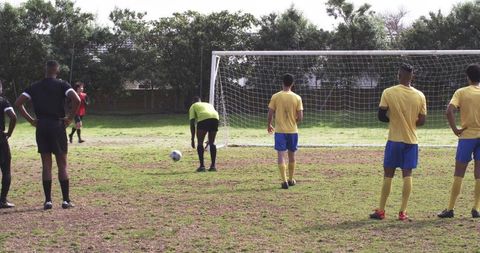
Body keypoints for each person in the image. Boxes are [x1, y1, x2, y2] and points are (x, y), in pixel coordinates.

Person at [15, 60, 80, 210]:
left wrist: (31, 120)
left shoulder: (34, 87)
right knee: (62, 164)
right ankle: (65, 200)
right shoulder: (62, 85)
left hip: (42, 126)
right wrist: (70, 118)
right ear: (57, 71)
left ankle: (48, 201)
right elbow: (76, 99)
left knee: (46, 165)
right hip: (57, 125)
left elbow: (18, 103)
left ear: (45, 71)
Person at [370, 63, 427, 221]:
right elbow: (422, 121)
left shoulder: (388, 92)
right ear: (412, 76)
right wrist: (409, 121)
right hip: (411, 141)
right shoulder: (420, 95)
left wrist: (394, 118)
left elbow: (381, 116)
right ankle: (403, 212)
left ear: (398, 75)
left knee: (388, 174)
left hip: (394, 140)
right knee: (407, 174)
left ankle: (381, 210)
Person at [438, 64, 480, 219]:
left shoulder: (461, 92)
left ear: (467, 77)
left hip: (467, 137)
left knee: (459, 173)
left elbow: (449, 110)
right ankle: (476, 208)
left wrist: (455, 129)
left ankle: (450, 209)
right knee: (479, 173)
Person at [267, 73, 304, 189]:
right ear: (292, 84)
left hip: (280, 131)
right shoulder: (297, 98)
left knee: (281, 155)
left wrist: (269, 124)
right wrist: (294, 122)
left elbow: (270, 112)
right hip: (293, 131)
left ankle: (284, 181)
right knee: (292, 155)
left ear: (282, 83)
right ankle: (291, 179)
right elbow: (301, 116)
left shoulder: (276, 96)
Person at [189, 96, 219, 172]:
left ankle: (202, 166)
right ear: (200, 101)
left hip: (203, 118)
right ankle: (213, 166)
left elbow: (192, 123)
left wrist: (192, 139)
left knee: (200, 142)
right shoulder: (208, 104)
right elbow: (211, 116)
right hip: (215, 117)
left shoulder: (193, 106)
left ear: (193, 102)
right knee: (212, 142)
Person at [0, 80, 17, 208]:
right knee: (6, 170)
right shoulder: (3, 101)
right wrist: (9, 133)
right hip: (1, 139)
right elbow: (13, 117)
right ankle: (3, 200)